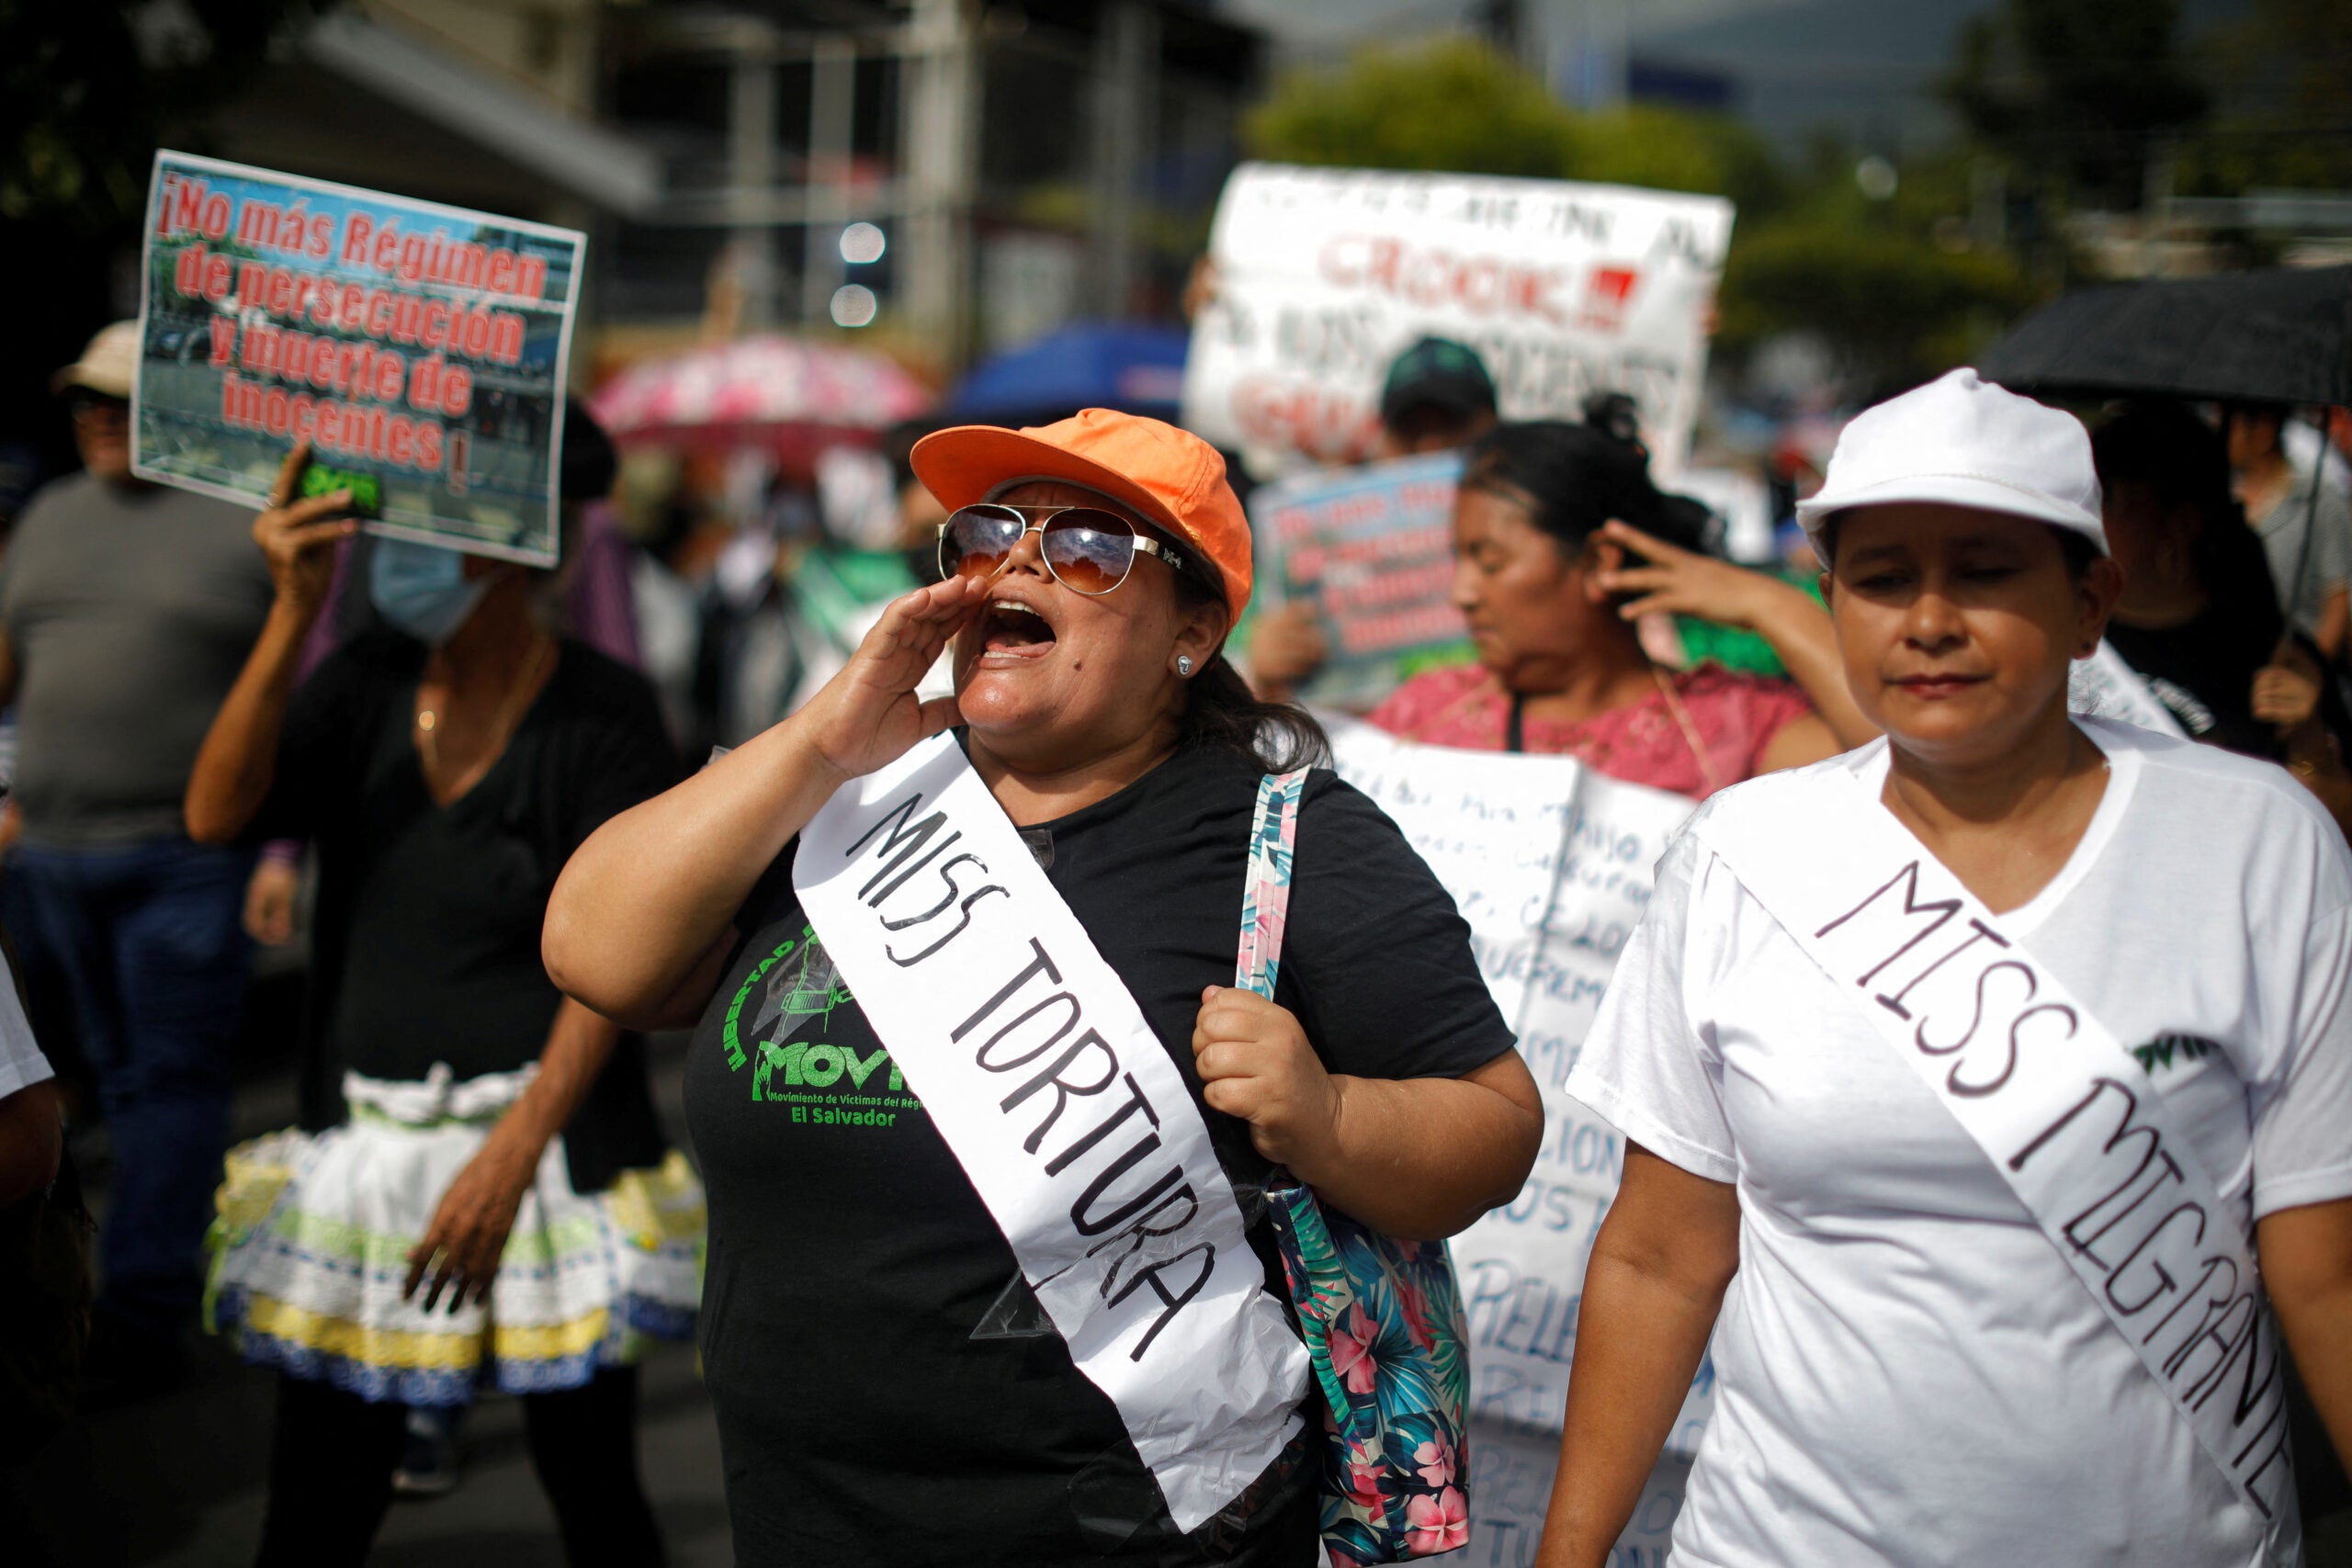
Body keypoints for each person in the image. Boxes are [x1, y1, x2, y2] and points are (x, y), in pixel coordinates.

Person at [542, 408, 1544, 1565]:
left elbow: (1495, 1129)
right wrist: (825, 733)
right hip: (801, 1521)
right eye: (984, 535)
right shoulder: (845, 799)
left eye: (1088, 546)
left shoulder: (1294, 843)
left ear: (1194, 629)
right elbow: (593, 954)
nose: (1016, 562)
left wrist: (1328, 1118)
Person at [1539, 369, 2352, 1567]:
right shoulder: (1741, 852)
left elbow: (2323, 1271)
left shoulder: (2260, 842)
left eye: (1984, 570)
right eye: (1880, 578)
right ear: (1833, 602)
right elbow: (1663, 1254)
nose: (1928, 619)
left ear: (2091, 600)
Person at [185, 446, 704, 1568]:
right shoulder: (362, 678)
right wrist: (292, 613)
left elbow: (624, 949)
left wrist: (512, 1155)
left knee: (594, 1489)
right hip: (365, 1151)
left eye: (434, 523)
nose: (402, 551)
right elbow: (217, 814)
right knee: (317, 1502)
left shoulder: (601, 712)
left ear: (513, 548)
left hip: (547, 1164)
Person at [0, 320, 275, 1393]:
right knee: (105, 1082)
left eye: (120, 401)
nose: (98, 420)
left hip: (185, 856)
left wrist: (282, 848)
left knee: (168, 1084)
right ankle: (121, 1284)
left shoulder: (248, 521)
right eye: (84, 403)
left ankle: (144, 1310)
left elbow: (294, 685)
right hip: (53, 860)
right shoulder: (54, 516)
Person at [1356, 421, 1861, 795]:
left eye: (1489, 562)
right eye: (1460, 561)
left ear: (1600, 560)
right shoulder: (1423, 716)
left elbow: (1898, 774)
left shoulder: (1735, 727)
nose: (1461, 594)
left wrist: (1769, 604)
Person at [2092, 403, 2352, 834]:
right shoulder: (2057, 637)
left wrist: (2309, 742)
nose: (2086, 516)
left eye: (2109, 497)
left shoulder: (2279, 657)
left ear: (2181, 524)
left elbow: (2339, 831)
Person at [2227, 400, 2352, 659]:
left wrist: (2314, 668)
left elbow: (2338, 601)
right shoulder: (2221, 496)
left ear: (2263, 431)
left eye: (2232, 424)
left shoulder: (2319, 502)